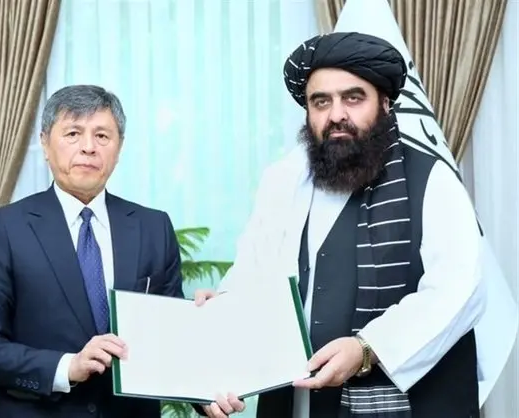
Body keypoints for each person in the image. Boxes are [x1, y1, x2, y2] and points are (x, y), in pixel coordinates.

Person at [193, 32, 485, 418]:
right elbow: (251, 274)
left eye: (353, 98)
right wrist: (224, 313)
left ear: (385, 103)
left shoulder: (432, 179)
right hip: (293, 402)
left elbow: (458, 291)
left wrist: (368, 348)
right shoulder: (282, 181)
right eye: (321, 102)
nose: (336, 115)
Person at [0, 85, 185, 417]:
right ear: (44, 143)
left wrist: (207, 391)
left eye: (102, 136)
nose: (88, 147)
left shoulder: (153, 227)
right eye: (73, 133)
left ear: (119, 147)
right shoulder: (5, 228)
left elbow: (170, 338)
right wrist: (68, 367)